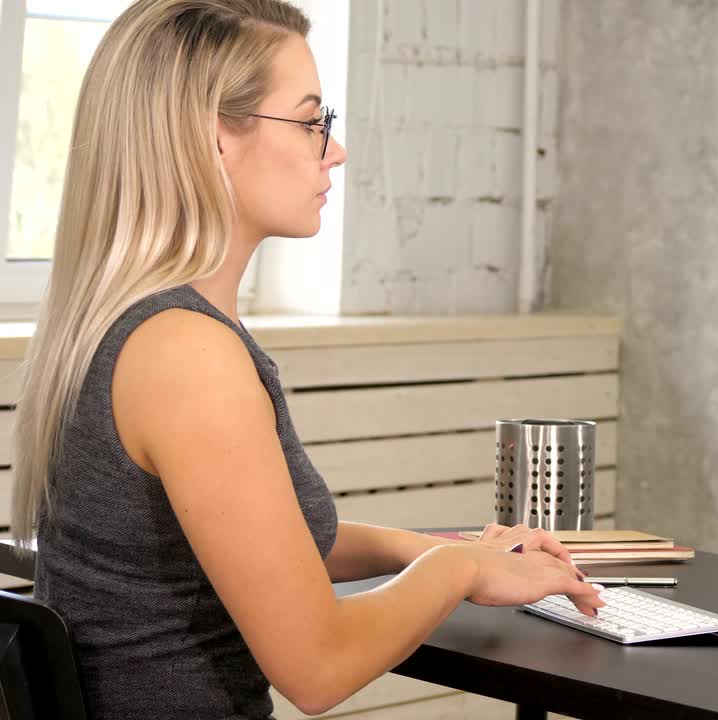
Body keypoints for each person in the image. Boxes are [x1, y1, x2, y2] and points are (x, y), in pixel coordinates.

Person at [8, 1, 605, 717]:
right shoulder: (186, 357)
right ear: (214, 137)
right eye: (311, 120)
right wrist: (455, 571)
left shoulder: (136, 328)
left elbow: (262, 551)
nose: (336, 149)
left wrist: (447, 548)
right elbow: (317, 668)